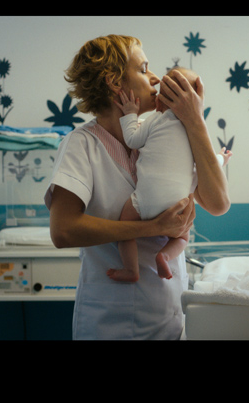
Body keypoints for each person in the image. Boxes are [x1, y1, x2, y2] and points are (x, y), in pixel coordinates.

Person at [44, 35, 230, 340]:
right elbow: (63, 231)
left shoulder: (162, 136)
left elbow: (218, 203)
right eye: (144, 69)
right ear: (115, 82)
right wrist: (153, 227)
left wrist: (195, 120)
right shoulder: (81, 145)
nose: (155, 78)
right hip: (111, 324)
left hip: (170, 318)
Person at [107, 67, 232, 283]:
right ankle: (164, 256)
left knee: (125, 226)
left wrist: (130, 115)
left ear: (159, 103)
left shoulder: (155, 120)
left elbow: (132, 140)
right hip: (178, 203)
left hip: (144, 201)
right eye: (143, 69)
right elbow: (205, 162)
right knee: (183, 236)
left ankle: (131, 269)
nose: (154, 78)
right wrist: (221, 158)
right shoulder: (191, 133)